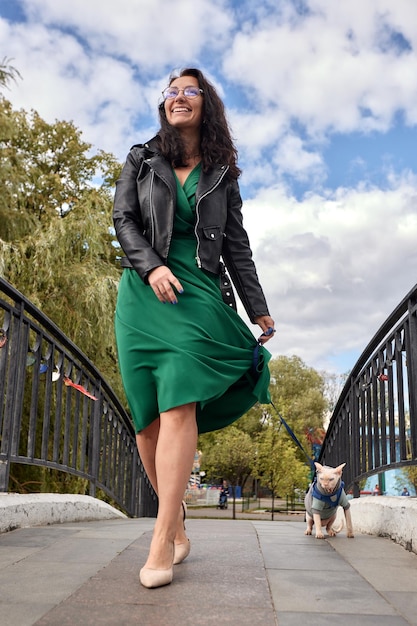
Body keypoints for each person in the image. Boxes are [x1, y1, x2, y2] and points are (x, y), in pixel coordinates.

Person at [113, 67, 275, 589]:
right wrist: (150, 265)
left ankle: (160, 539)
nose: (179, 97)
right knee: (145, 423)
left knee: (177, 402)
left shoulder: (222, 173)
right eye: (172, 91)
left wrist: (258, 307)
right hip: (142, 291)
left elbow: (237, 246)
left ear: (206, 105)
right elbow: (124, 220)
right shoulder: (142, 157)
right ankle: (176, 517)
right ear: (164, 104)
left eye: (190, 91)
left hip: (195, 292)